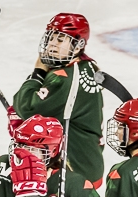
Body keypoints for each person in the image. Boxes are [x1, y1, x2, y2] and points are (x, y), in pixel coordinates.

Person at [12, 13, 104, 188]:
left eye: (61, 40)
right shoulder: (87, 66)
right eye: (51, 37)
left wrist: (38, 72)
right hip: (87, 161)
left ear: (78, 46)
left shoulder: (64, 78)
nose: (53, 43)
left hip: (75, 171)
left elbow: (27, 107)